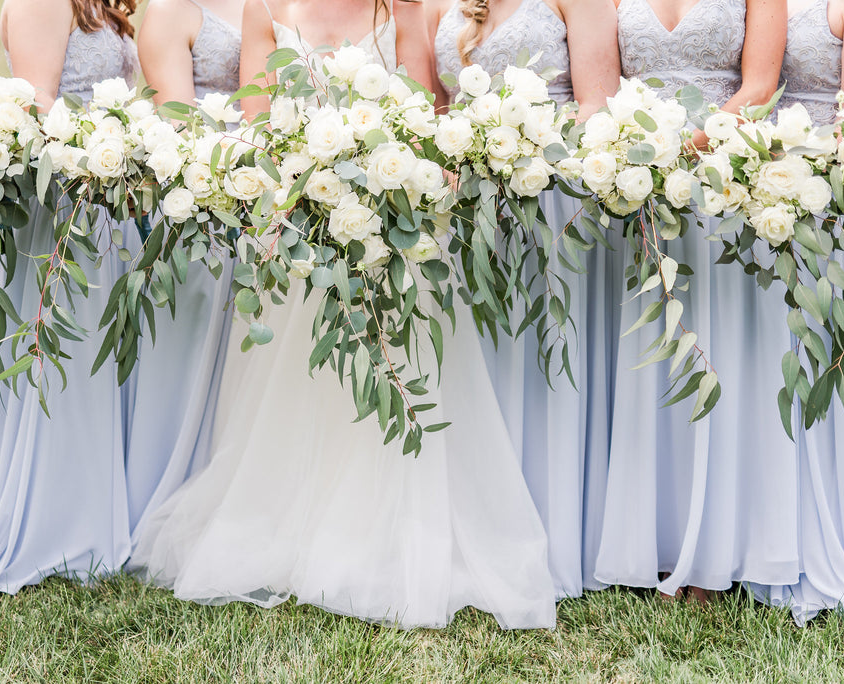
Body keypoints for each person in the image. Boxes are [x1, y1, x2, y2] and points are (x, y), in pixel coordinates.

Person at [129, 0, 558, 630]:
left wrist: (383, 184)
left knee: (393, 375)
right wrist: (309, 180)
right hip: (302, 230)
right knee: (300, 387)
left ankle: (385, 533)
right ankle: (292, 526)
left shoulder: (403, 8)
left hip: (392, 229)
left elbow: (422, 119)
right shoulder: (267, 8)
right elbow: (256, 124)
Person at [594, 0, 797, 601]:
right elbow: (603, 91)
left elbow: (761, 86)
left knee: (720, 357)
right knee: (654, 361)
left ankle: (720, 544)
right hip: (642, 193)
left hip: (725, 184)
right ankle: (656, 538)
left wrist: (685, 150)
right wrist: (637, 156)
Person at [0, 0, 139, 594]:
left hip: (104, 196)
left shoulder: (98, 5)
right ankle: (55, 528)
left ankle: (96, 512)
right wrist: (103, 150)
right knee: (67, 361)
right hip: (65, 205)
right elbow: (37, 102)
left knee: (96, 363)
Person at [428, 0, 622, 599]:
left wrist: (524, 157)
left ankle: (552, 532)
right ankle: (472, 527)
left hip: (550, 200)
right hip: (462, 211)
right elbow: (436, 108)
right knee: (474, 363)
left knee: (544, 360)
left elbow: (597, 104)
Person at [749, 0, 844, 623]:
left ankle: (836, 533)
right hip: (767, 194)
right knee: (781, 365)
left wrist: (804, 169)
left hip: (834, 200)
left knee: (828, 358)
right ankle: (774, 532)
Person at [126, 0, 243, 545]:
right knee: (191, 353)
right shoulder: (173, 11)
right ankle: (169, 495)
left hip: (274, 202)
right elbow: (180, 123)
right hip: (205, 210)